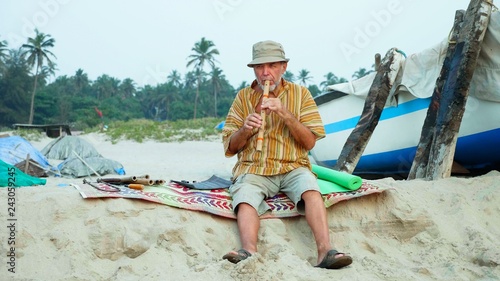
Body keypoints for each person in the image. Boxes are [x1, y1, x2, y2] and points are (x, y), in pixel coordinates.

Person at [221, 40, 353, 269]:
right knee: (244, 197)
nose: (265, 73)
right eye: (259, 67)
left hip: (293, 165)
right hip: (254, 167)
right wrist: (245, 129)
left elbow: (310, 142)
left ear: (284, 66)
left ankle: (325, 251)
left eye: (272, 65)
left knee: (311, 190)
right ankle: (249, 251)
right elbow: (231, 148)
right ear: (253, 69)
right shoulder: (243, 98)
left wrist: (284, 113)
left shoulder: (301, 94)